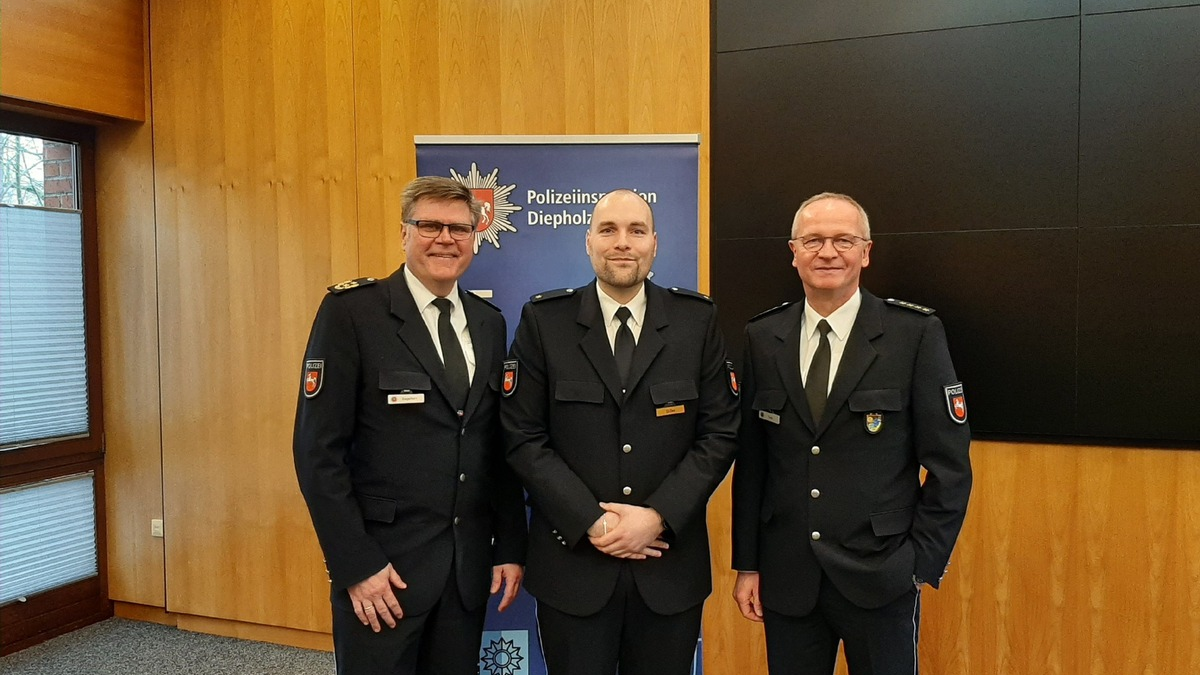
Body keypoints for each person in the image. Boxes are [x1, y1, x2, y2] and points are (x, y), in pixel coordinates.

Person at [293, 176, 527, 675]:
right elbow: (318, 453)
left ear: (475, 238)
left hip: (465, 573)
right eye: (430, 225)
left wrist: (508, 546)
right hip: (384, 575)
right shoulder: (352, 313)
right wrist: (356, 565)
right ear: (404, 234)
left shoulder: (489, 323)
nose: (446, 238)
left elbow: (494, 446)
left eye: (460, 228)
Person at [731, 192, 972, 675]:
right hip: (788, 577)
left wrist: (919, 562)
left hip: (881, 574)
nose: (828, 252)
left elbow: (949, 465)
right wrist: (748, 564)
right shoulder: (763, 338)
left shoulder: (914, 335)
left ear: (866, 252)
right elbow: (754, 463)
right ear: (793, 252)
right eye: (813, 240)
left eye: (844, 240)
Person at [501, 189, 740, 675]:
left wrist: (658, 516)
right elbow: (523, 436)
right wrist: (594, 520)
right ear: (588, 242)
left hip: (668, 564)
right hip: (573, 565)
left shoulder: (697, 321)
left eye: (636, 231)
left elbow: (720, 432)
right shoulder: (545, 322)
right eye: (608, 230)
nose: (622, 243)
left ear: (655, 243)